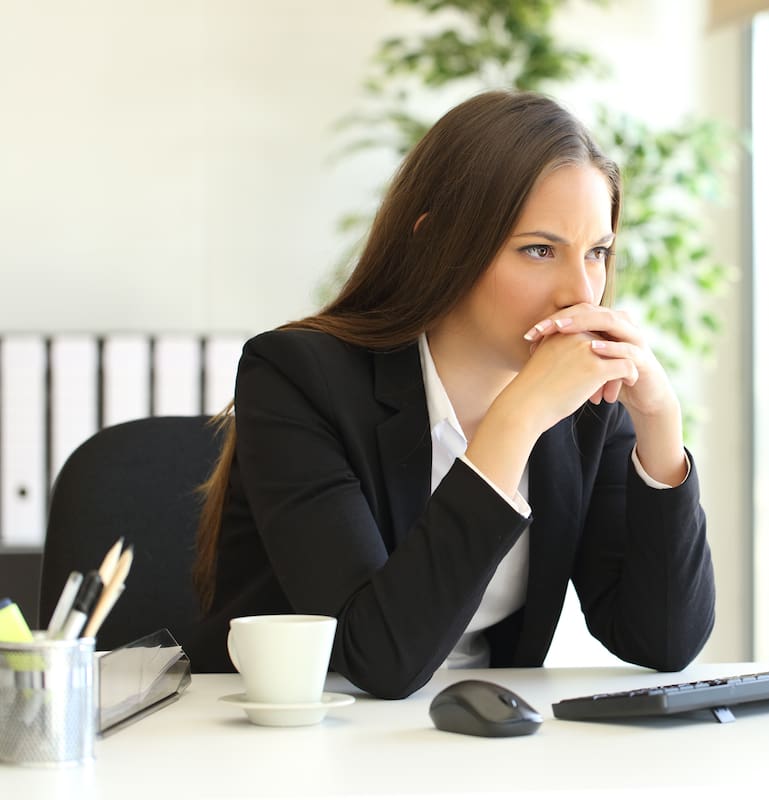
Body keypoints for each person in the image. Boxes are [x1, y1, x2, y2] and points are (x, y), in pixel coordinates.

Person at [187, 89, 716, 700]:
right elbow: (376, 660)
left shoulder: (586, 404)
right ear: (438, 243)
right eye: (539, 250)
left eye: (597, 252)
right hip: (289, 730)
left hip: (467, 733)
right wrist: (516, 420)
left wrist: (659, 424)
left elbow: (664, 640)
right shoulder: (298, 376)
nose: (580, 293)